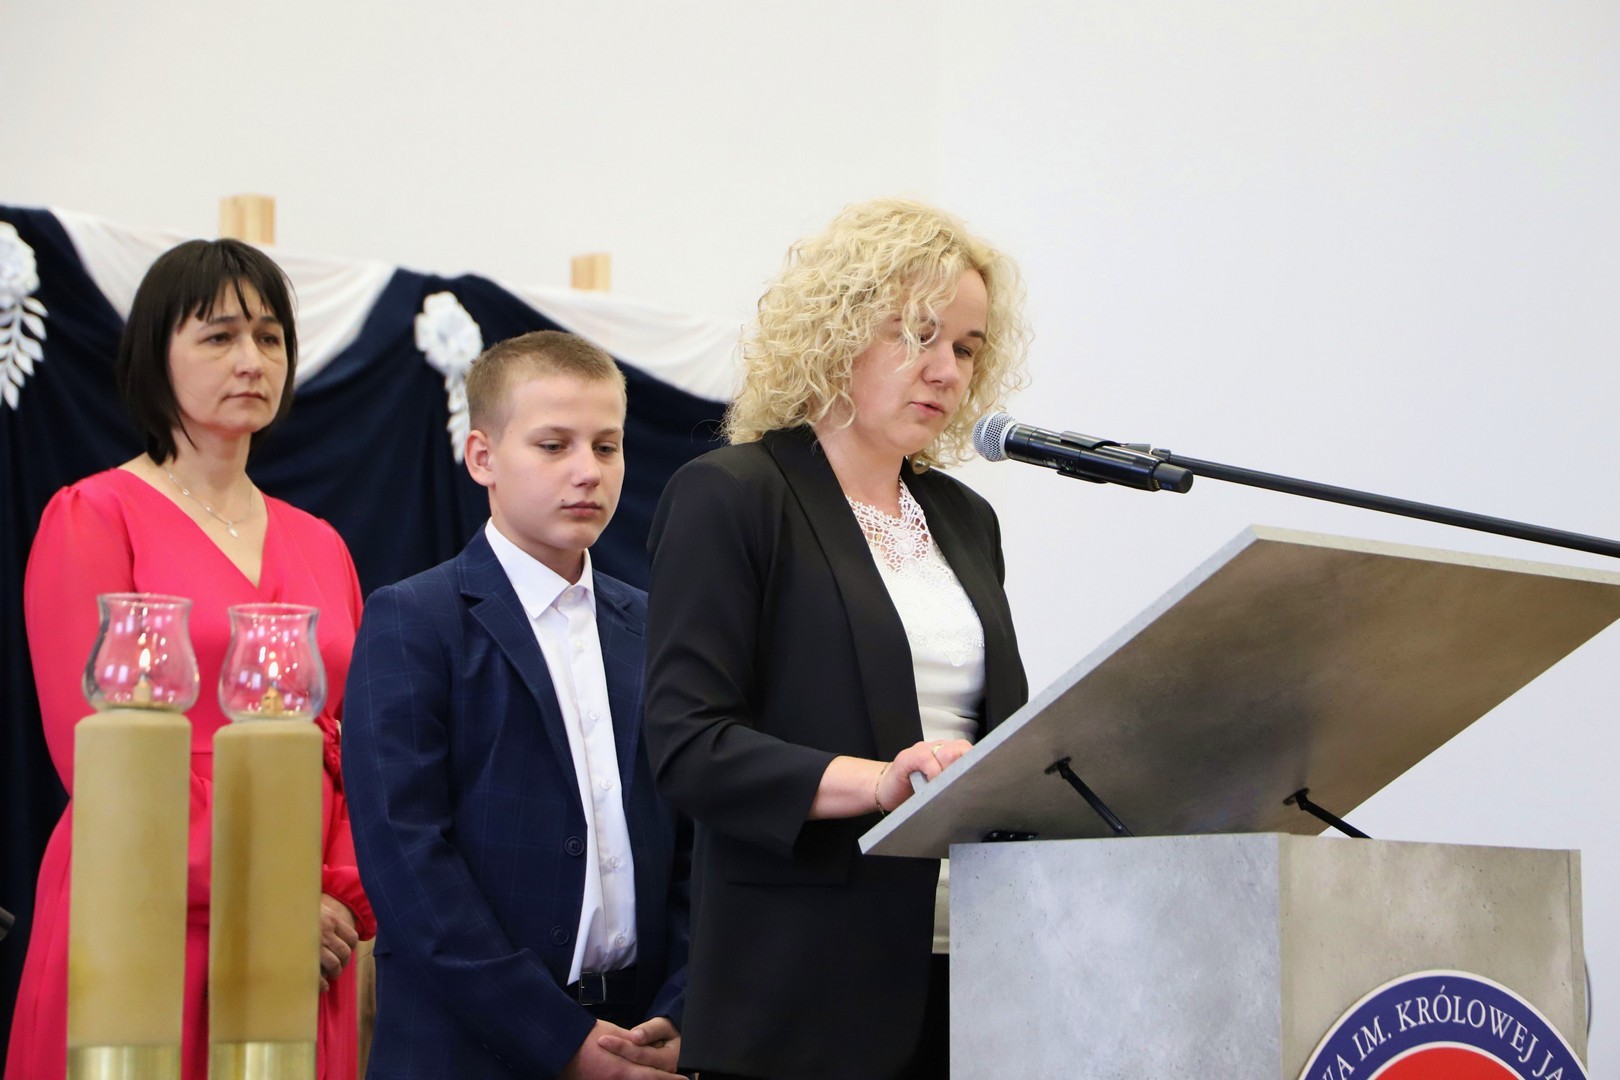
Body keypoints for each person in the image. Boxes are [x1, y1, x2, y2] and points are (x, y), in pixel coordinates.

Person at [643, 197, 1033, 1080]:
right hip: (804, 985)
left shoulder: (966, 520)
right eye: (918, 335)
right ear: (838, 330)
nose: (945, 371)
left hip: (978, 968)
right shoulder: (734, 496)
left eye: (966, 348)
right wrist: (878, 782)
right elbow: (689, 745)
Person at [7, 239, 374, 1080]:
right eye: (219, 336)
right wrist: (271, 895)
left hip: (310, 927)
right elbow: (95, 757)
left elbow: (360, 744)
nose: (252, 360)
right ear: (154, 354)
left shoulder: (321, 542)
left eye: (270, 337)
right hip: (146, 901)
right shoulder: (94, 515)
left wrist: (338, 891)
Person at [343, 331, 689, 1080]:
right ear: (482, 457)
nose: (587, 471)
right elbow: (408, 862)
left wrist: (682, 1007)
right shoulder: (414, 619)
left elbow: (695, 833)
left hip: (639, 1033)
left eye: (606, 446)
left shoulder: (653, 623)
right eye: (553, 445)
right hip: (467, 1047)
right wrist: (558, 1039)